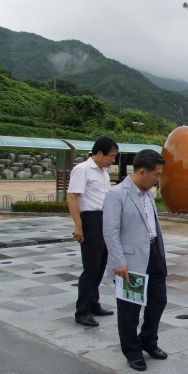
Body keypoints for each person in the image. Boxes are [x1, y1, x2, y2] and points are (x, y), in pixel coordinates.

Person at [103, 150, 168, 372]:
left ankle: (149, 341)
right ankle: (132, 350)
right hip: (130, 261)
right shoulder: (117, 195)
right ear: (142, 171)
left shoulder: (147, 192)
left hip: (154, 254)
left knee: (158, 301)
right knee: (130, 308)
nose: (158, 179)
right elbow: (110, 232)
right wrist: (119, 261)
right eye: (156, 174)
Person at [68, 136, 119, 327]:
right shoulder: (82, 170)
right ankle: (82, 311)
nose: (112, 160)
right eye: (111, 156)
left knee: (100, 265)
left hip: (104, 219)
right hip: (90, 219)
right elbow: (72, 197)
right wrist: (78, 226)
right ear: (99, 153)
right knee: (91, 268)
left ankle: (93, 303)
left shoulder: (103, 172)